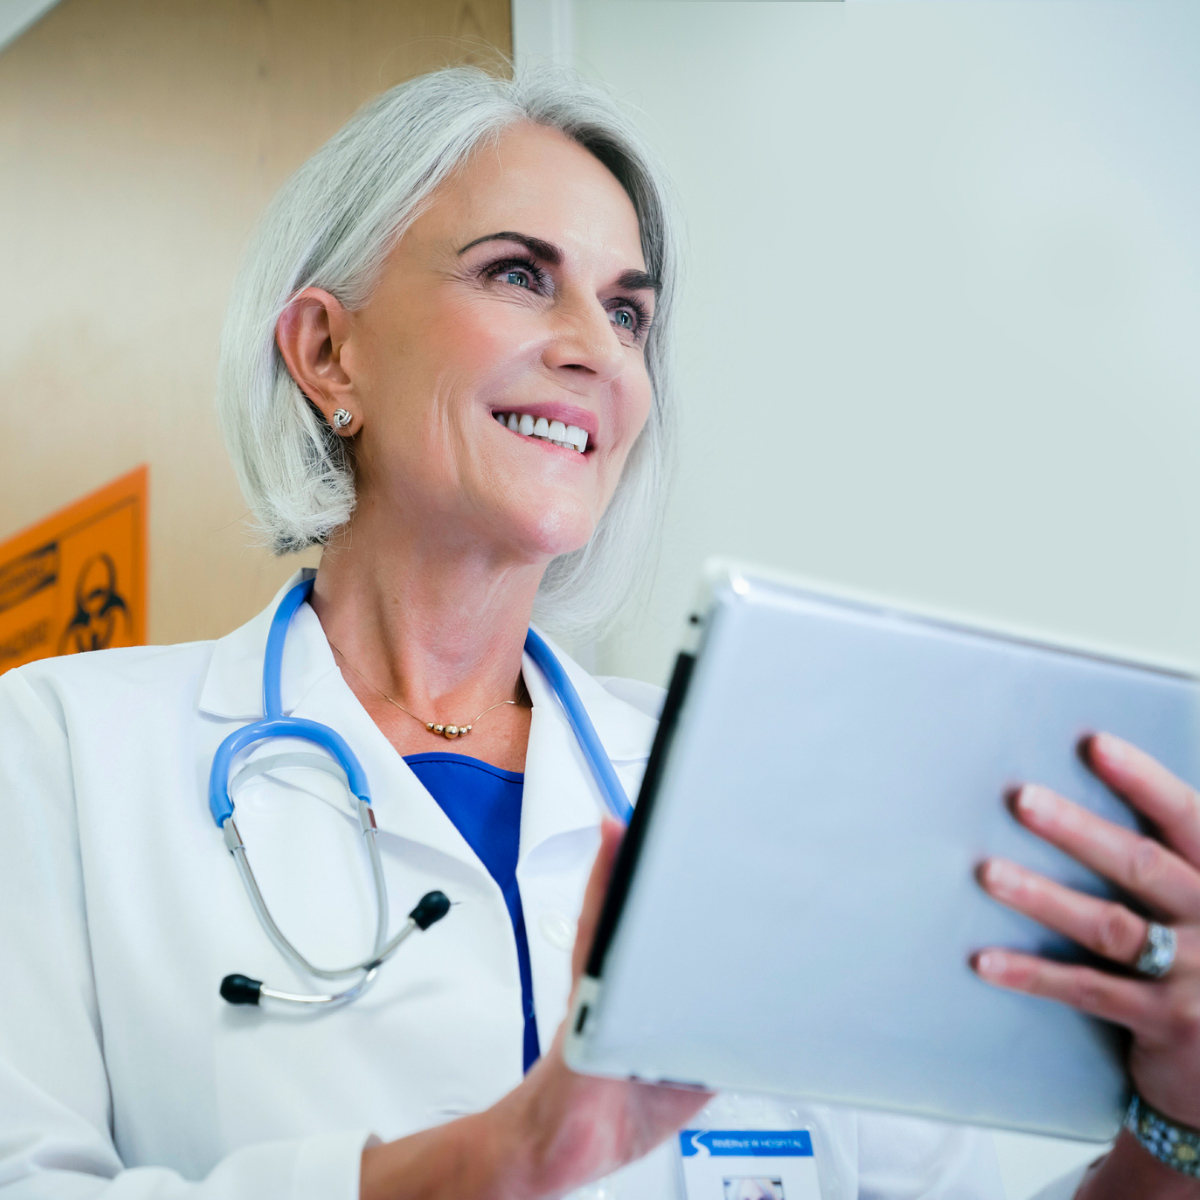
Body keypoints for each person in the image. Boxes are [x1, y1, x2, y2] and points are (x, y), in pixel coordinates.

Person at [0, 66, 1197, 1200]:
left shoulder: (761, 780)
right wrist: (508, 1159)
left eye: (629, 313)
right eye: (519, 275)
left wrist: (1177, 1123)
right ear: (327, 350)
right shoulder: (60, 756)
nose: (597, 351)